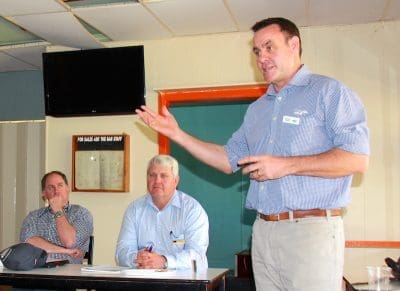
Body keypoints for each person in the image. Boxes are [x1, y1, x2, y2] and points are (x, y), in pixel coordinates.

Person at [135, 17, 370, 291]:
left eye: (269, 47)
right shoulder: (258, 109)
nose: (262, 58)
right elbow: (227, 159)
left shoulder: (330, 92)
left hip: (311, 230)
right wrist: (177, 134)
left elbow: (357, 159)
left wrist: (286, 166)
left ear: (294, 44)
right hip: (263, 232)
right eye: (257, 51)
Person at [115, 154, 209, 270]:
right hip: (143, 279)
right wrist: (138, 258)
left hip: (180, 282)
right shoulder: (134, 209)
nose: (157, 181)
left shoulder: (192, 210)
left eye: (163, 176)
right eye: (152, 175)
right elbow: (121, 252)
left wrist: (164, 261)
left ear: (175, 181)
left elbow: (197, 256)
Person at [20, 170, 93, 264]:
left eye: (60, 186)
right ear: (44, 193)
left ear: (67, 189)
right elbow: (29, 242)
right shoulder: (34, 216)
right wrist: (66, 251)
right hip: (37, 271)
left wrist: (58, 210)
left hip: (68, 274)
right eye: (50, 187)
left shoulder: (81, 214)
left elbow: (70, 243)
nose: (56, 191)